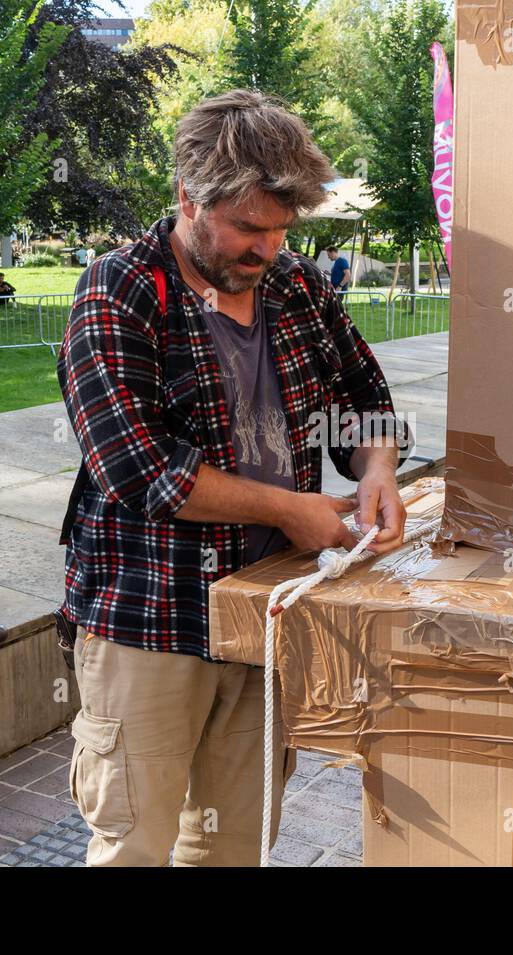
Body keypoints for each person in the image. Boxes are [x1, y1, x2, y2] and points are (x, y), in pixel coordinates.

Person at [57, 88, 414, 867]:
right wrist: (293, 510)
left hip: (263, 610)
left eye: (282, 230)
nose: (268, 249)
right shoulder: (118, 292)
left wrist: (379, 472)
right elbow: (139, 468)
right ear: (188, 198)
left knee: (234, 845)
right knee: (134, 846)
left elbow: (366, 403)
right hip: (147, 619)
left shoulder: (299, 289)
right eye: (249, 227)